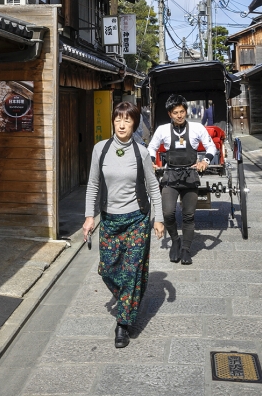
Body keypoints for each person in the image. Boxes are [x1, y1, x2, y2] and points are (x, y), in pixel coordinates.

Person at [83, 102, 164, 349]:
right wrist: (89, 217)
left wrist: (158, 218)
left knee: (130, 272)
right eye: (118, 119)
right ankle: (130, 297)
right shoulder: (101, 149)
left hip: (137, 219)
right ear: (113, 121)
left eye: (127, 120)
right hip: (109, 220)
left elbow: (153, 188)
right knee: (107, 269)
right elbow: (93, 185)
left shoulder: (141, 152)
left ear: (134, 124)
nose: (121, 124)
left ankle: (123, 325)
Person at [148, 94, 216, 265]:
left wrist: (204, 162)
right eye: (175, 112)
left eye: (182, 111)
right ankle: (175, 240)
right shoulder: (162, 130)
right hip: (170, 175)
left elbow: (211, 146)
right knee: (168, 213)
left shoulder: (197, 128)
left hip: (190, 175)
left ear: (186, 111)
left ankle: (186, 249)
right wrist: (150, 163)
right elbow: (151, 148)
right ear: (169, 114)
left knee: (188, 215)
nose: (179, 115)